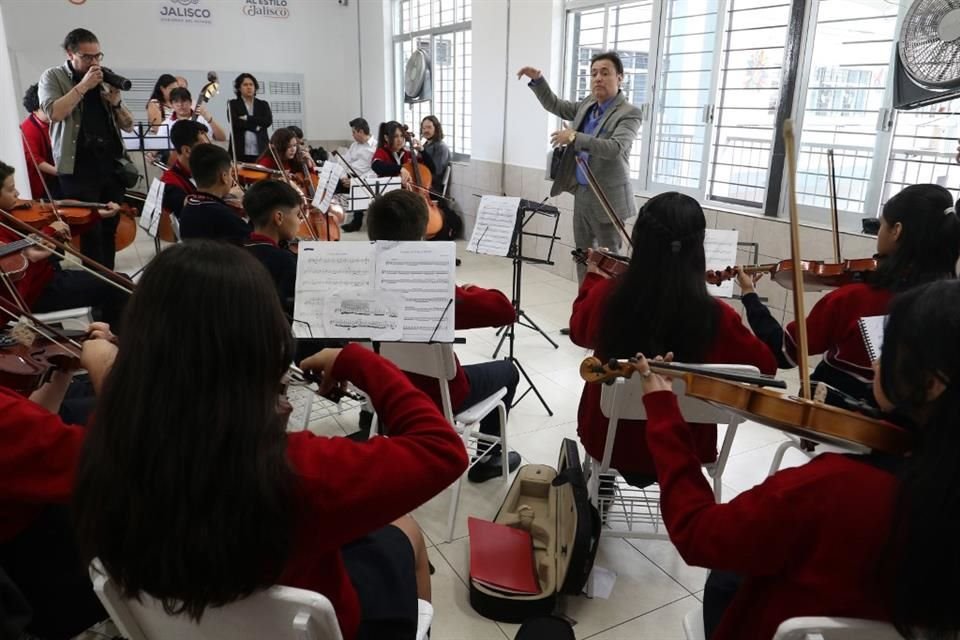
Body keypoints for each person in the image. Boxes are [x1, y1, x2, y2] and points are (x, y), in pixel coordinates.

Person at [72, 241, 468, 640]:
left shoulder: (103, 446)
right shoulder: (298, 471)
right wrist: (358, 359)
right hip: (318, 620)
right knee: (406, 531)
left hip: (190, 619)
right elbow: (442, 449)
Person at [635, 278, 960, 640]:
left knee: (728, 580)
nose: (878, 360)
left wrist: (664, 414)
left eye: (892, 348)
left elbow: (698, 533)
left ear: (933, 384)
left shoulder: (836, 488)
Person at [569, 192, 776, 486]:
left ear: (639, 240)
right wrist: (752, 300)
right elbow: (764, 367)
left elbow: (578, 332)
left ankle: (602, 485)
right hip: (685, 448)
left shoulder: (608, 296)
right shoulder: (717, 316)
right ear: (697, 249)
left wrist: (592, 278)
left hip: (610, 442)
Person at [737, 183, 960, 405]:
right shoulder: (949, 307)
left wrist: (750, 296)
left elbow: (783, 353)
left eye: (882, 224)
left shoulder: (855, 298)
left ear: (896, 231)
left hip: (838, 421)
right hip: (916, 434)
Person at [366, 189, 521, 482]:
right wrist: (470, 290)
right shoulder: (433, 290)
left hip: (384, 390)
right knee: (508, 371)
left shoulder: (357, 279)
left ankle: (375, 426)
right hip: (438, 394)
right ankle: (488, 459)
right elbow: (503, 310)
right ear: (423, 233)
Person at [0, 321, 115, 640]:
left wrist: (61, 365)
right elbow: (114, 463)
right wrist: (109, 371)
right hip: (33, 562)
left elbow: (29, 434)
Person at [518, 51, 642, 282]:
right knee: (583, 256)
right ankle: (585, 304)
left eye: (605, 73)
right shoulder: (588, 104)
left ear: (620, 77)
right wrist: (538, 81)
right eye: (594, 73)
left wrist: (574, 137)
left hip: (609, 198)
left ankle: (606, 312)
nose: (598, 78)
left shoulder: (630, 113)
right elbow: (555, 105)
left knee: (609, 264)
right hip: (583, 193)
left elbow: (615, 147)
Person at [38, 28, 136, 271]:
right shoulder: (53, 77)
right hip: (78, 169)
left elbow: (129, 124)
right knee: (90, 233)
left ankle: (110, 287)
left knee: (110, 229)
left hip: (111, 167)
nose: (94, 63)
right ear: (70, 54)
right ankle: (97, 293)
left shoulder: (103, 80)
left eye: (98, 56)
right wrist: (83, 86)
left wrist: (116, 103)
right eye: (87, 57)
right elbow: (54, 113)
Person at [0, 160, 127, 328]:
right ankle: (115, 343)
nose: (17, 193)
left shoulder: (8, 215)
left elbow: (59, 227)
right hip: (37, 292)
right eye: (10, 189)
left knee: (117, 283)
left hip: (47, 276)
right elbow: (15, 296)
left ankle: (102, 331)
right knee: (119, 286)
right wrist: (33, 254)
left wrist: (96, 215)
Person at [242, 179, 301, 315]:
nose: (299, 221)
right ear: (279, 218)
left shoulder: (240, 247)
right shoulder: (284, 261)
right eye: (298, 215)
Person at [178, 144, 251, 243]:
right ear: (224, 177)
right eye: (231, 174)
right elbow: (251, 239)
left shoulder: (188, 206)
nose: (232, 178)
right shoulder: (224, 216)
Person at [159, 119, 209, 218]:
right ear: (187, 151)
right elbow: (195, 212)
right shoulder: (170, 184)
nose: (210, 152)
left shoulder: (201, 171)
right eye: (204, 147)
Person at [20, 83, 60, 199]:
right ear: (35, 109)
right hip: (43, 183)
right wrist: (61, 173)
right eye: (47, 107)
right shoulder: (27, 129)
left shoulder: (55, 121)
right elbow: (34, 160)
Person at [339, 117, 378, 233]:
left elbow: (374, 171)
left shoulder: (375, 147)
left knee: (357, 187)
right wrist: (343, 176)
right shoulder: (354, 146)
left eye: (354, 132)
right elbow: (344, 162)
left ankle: (357, 222)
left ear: (361, 131)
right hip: (348, 176)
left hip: (365, 179)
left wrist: (357, 181)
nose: (352, 135)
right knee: (330, 185)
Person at [228, 72, 273, 163]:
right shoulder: (233, 104)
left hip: (261, 150)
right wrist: (256, 127)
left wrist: (248, 118)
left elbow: (267, 121)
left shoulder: (263, 104)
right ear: (239, 88)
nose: (249, 87)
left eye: (251, 84)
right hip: (240, 151)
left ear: (255, 87)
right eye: (245, 85)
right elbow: (235, 122)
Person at [420, 115, 450, 196]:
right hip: (422, 183)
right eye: (424, 128)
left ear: (436, 128)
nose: (426, 130)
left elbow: (437, 172)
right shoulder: (425, 144)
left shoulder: (441, 147)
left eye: (429, 127)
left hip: (432, 188)